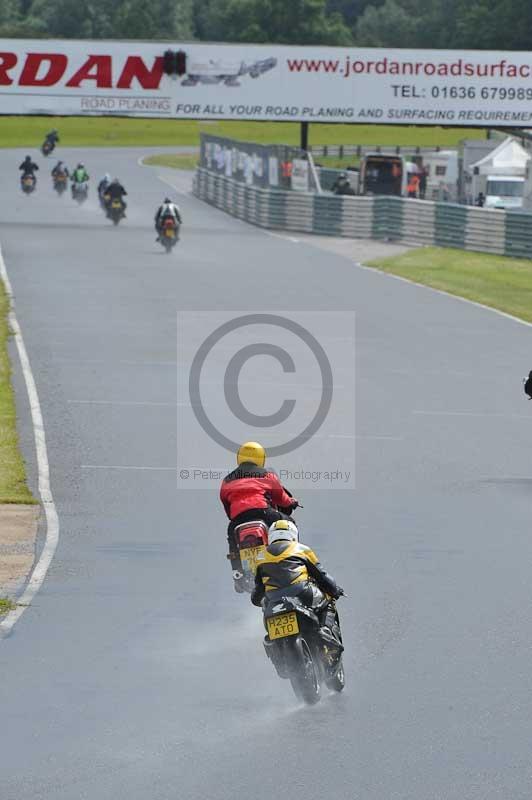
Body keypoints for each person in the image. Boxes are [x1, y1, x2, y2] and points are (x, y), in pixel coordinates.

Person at [251, 519, 344, 648]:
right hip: (301, 592)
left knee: (265, 612)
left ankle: (274, 646)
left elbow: (258, 591)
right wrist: (334, 590)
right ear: (293, 534)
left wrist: (257, 600)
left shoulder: (260, 557)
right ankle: (326, 629)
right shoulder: (302, 549)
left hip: (273, 600)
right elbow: (321, 576)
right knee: (329, 600)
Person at [220, 441, 299, 590]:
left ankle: (238, 574)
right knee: (290, 524)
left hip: (238, 519)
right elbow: (282, 499)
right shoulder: (267, 475)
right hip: (263, 512)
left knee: (233, 542)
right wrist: (292, 502)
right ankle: (295, 562)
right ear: (261, 458)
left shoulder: (226, 481)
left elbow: (228, 510)